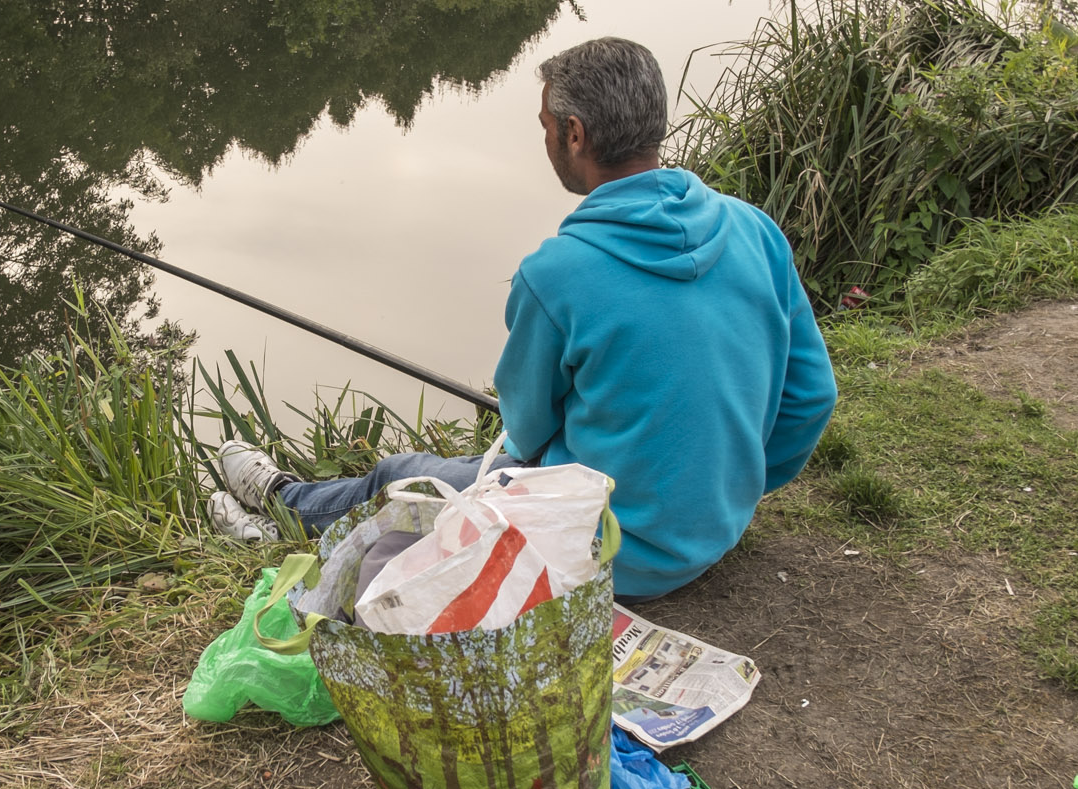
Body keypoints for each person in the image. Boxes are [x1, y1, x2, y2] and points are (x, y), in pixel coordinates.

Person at [207, 36, 836, 600]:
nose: (543, 141)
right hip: (711, 536)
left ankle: (282, 508)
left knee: (405, 477)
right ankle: (282, 512)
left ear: (574, 133)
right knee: (438, 482)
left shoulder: (559, 272)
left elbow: (528, 431)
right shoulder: (756, 231)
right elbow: (811, 398)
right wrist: (731, 487)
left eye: (544, 125)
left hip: (600, 551)